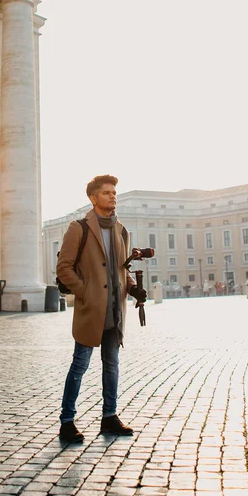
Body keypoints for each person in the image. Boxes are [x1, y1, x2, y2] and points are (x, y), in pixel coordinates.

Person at [56, 174, 147, 443]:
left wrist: (133, 288)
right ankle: (67, 421)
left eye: (114, 192)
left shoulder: (121, 231)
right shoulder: (79, 228)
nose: (113, 196)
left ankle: (109, 417)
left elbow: (121, 269)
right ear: (93, 198)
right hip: (91, 309)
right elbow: (64, 268)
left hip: (115, 311)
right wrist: (85, 290)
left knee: (112, 365)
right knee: (79, 365)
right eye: (107, 193)